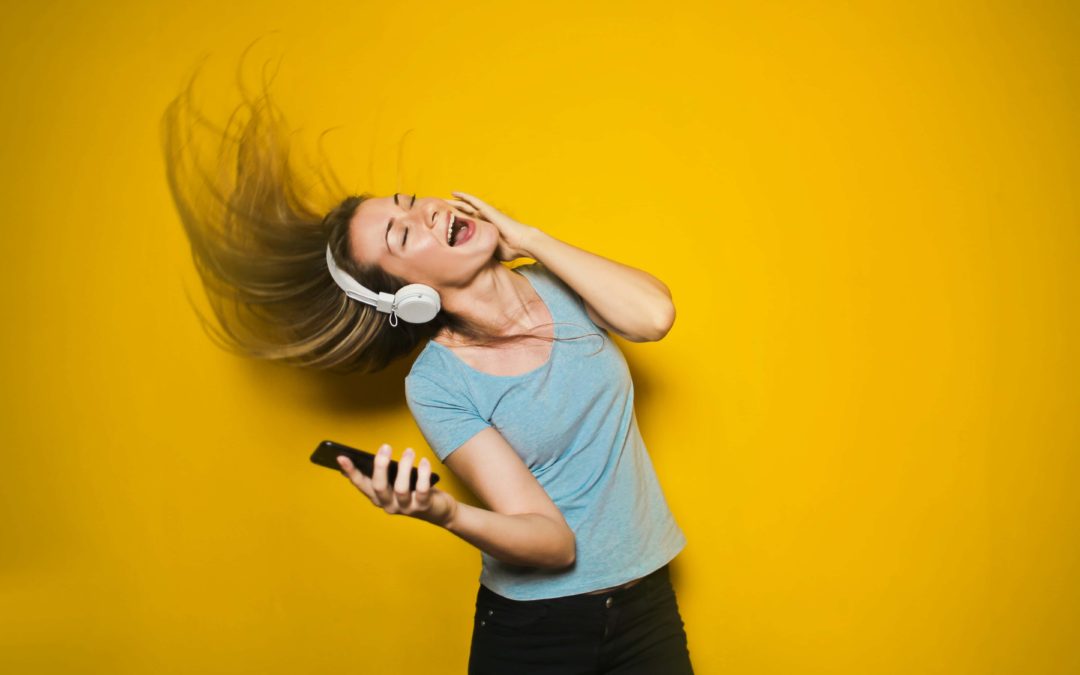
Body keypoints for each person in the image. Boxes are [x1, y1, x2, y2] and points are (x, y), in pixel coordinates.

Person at [162, 70, 694, 675]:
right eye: (401, 233)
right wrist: (444, 513)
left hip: (646, 594)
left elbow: (654, 317)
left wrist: (529, 237)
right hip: (538, 631)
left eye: (411, 203)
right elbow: (554, 542)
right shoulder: (438, 384)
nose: (426, 214)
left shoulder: (562, 283)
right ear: (408, 297)